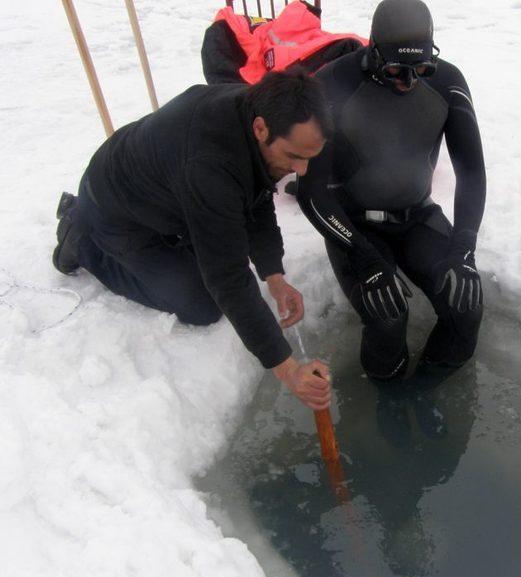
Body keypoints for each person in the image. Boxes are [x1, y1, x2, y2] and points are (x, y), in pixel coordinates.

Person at [52, 70, 332, 410]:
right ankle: (80, 237)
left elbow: (255, 193)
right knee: (200, 303)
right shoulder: (210, 163)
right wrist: (288, 370)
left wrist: (273, 274)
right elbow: (227, 277)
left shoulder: (259, 110)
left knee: (221, 240)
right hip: (119, 215)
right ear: (261, 128)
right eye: (293, 157)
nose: (300, 171)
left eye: (308, 158)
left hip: (168, 197)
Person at [297, 0, 486, 380]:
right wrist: (365, 258)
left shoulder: (448, 83)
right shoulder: (332, 85)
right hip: (353, 224)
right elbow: (312, 191)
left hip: (417, 215)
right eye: (397, 69)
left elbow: (472, 173)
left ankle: (426, 387)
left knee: (465, 307)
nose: (409, 81)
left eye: (421, 69)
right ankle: (389, 396)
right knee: (387, 315)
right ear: (372, 50)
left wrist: (464, 247)